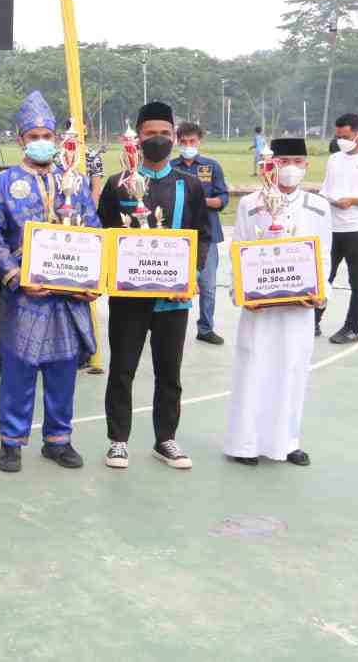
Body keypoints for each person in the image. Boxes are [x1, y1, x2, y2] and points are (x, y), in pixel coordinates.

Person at [0, 91, 100, 473]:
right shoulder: (3, 183)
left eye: (46, 135)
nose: (40, 142)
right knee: (20, 366)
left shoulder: (76, 182)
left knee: (63, 366)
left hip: (69, 295)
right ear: (20, 140)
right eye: (32, 136)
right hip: (26, 295)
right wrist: (16, 277)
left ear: (56, 138)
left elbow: (93, 230)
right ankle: (11, 442)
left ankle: (58, 440)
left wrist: (92, 278)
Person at [98, 101, 213, 470]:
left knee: (170, 371)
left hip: (173, 298)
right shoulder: (118, 184)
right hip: (129, 296)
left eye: (165, 133)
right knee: (122, 368)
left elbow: (203, 235)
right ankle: (118, 440)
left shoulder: (189, 185)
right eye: (150, 134)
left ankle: (165, 439)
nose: (159, 139)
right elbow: (103, 233)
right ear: (136, 137)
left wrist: (192, 275)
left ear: (175, 137)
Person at [224, 138, 330, 467]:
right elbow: (239, 250)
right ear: (270, 164)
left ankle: (286, 442)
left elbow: (324, 254)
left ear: (306, 164)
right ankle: (245, 443)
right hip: (259, 308)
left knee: (293, 369)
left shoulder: (318, 206)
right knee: (254, 367)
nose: (290, 168)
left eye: (297, 160)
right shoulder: (251, 204)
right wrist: (240, 293)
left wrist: (319, 292)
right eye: (283, 160)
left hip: (299, 308)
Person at [173, 122, 230, 344]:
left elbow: (222, 198)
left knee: (208, 287)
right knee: (173, 283)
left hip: (208, 235)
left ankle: (205, 328)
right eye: (184, 141)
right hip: (178, 237)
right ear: (178, 142)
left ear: (199, 142)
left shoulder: (211, 166)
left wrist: (201, 201)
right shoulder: (171, 167)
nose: (188, 145)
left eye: (192, 141)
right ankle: (166, 327)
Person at [319, 113, 358, 344]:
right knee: (322, 276)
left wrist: (355, 200)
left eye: (345, 136)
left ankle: (352, 328)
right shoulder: (334, 159)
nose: (341, 140)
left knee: (357, 280)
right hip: (331, 227)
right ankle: (313, 321)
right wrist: (328, 199)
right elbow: (325, 188)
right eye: (338, 136)